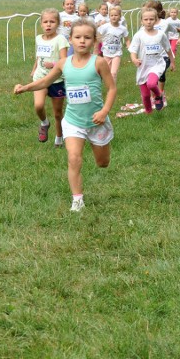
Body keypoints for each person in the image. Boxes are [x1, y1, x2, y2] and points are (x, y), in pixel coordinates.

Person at [14, 18, 116, 213]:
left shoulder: (99, 62)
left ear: (94, 40)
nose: (82, 41)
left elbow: (112, 89)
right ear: (70, 40)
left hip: (96, 121)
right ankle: (77, 200)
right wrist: (25, 87)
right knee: (74, 157)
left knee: (103, 163)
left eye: (87, 37)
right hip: (73, 121)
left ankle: (98, 154)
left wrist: (104, 111)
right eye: (78, 37)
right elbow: (44, 81)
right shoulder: (63, 63)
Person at [29, 9, 69, 147]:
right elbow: (39, 56)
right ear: (41, 24)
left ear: (58, 23)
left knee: (58, 114)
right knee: (38, 106)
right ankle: (44, 123)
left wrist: (53, 64)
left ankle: (59, 138)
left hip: (56, 80)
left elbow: (64, 60)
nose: (48, 25)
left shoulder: (61, 39)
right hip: (40, 78)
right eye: (45, 22)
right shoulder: (38, 38)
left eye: (52, 22)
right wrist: (34, 69)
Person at [128, 7, 174, 114]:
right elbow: (133, 51)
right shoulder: (139, 35)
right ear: (142, 21)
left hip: (156, 65)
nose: (149, 22)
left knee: (152, 84)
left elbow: (168, 49)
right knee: (145, 95)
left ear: (156, 19)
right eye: (146, 19)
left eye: (151, 19)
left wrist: (172, 61)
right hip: (143, 66)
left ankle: (158, 95)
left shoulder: (160, 34)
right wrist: (134, 60)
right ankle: (149, 112)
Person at [98, 6, 130, 83]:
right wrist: (100, 43)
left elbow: (127, 39)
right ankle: (110, 88)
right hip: (106, 53)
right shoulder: (105, 27)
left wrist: (130, 48)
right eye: (112, 15)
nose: (114, 17)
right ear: (109, 16)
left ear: (120, 16)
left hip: (117, 53)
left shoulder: (122, 28)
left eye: (116, 15)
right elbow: (98, 36)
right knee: (108, 73)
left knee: (113, 73)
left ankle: (113, 89)